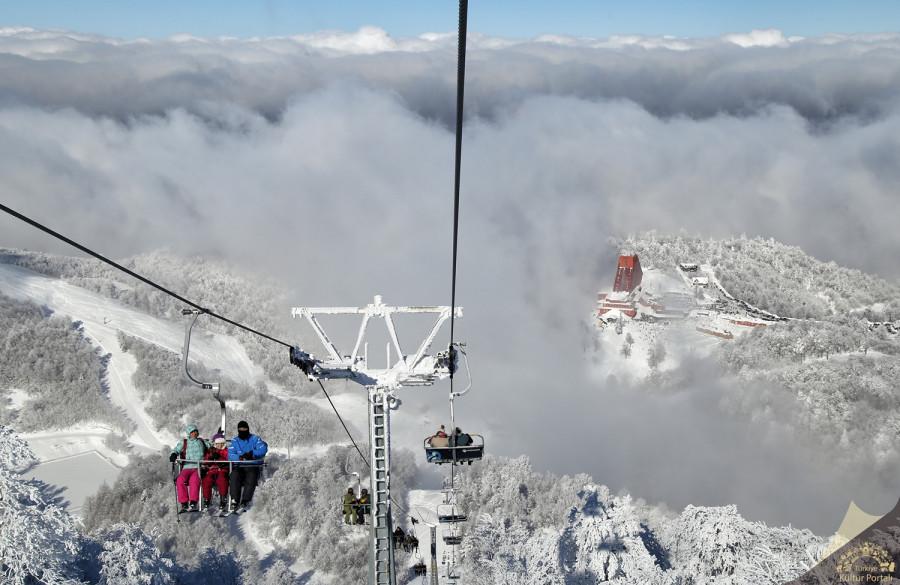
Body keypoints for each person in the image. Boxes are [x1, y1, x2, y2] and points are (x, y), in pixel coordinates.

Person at [227, 420, 268, 512]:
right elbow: (230, 454)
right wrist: (240, 458)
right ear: (238, 430)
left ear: (248, 429)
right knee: (234, 476)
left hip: (252, 465)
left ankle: (246, 500)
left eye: (245, 429)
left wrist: (253, 454)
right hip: (239, 465)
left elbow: (263, 448)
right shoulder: (235, 441)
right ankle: (234, 500)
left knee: (251, 477)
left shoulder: (255, 439)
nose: (243, 430)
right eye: (241, 429)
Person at [168, 423, 209, 513]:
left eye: (196, 431)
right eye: (192, 432)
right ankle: (184, 503)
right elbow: (176, 449)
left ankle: (193, 502)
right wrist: (174, 454)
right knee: (180, 480)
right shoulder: (185, 442)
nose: (194, 433)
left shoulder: (202, 441)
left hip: (198, 466)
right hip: (187, 466)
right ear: (189, 433)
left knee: (194, 480)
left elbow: (212, 447)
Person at [202, 432, 230, 510]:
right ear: (214, 444)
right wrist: (210, 457)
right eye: (218, 443)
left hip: (222, 470)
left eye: (221, 443)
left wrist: (219, 458)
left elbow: (228, 459)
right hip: (212, 470)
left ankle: (223, 498)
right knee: (207, 480)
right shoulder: (211, 451)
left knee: (222, 479)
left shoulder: (226, 451)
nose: (219, 445)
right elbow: (206, 461)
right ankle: (206, 499)